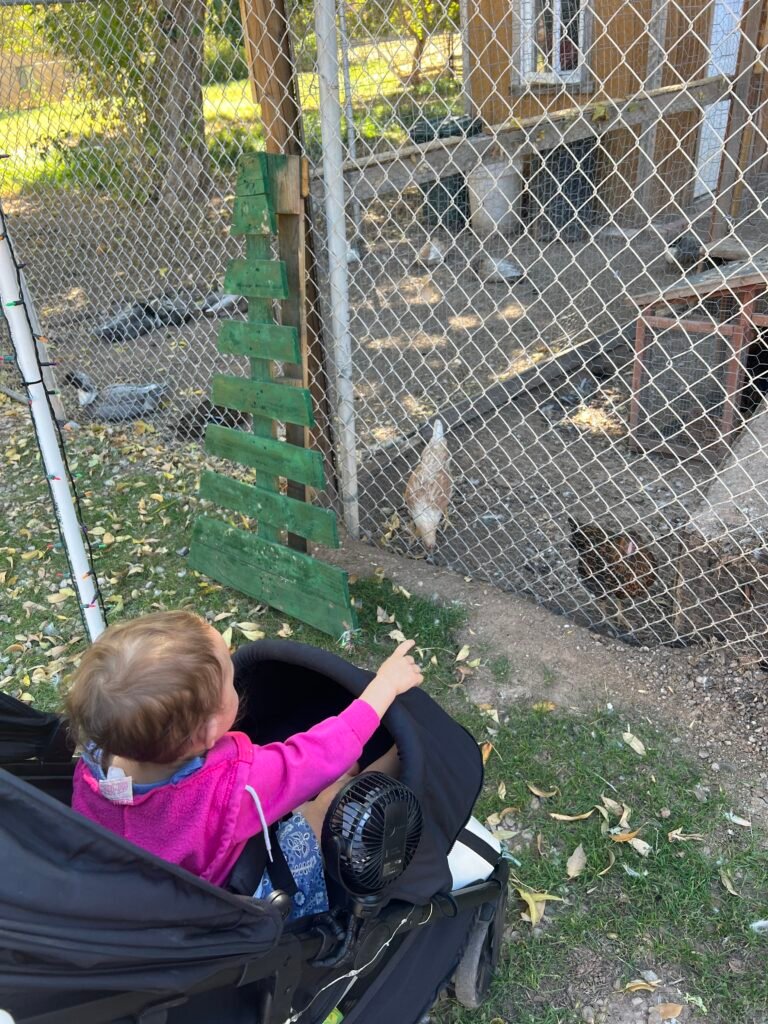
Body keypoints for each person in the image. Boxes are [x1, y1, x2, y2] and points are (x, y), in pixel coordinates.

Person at [66, 611, 422, 919]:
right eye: (228, 677)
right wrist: (384, 687)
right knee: (327, 804)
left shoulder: (95, 767)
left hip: (164, 898)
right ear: (206, 731)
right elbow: (318, 754)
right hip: (250, 897)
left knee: (306, 790)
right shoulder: (232, 786)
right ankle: (394, 758)